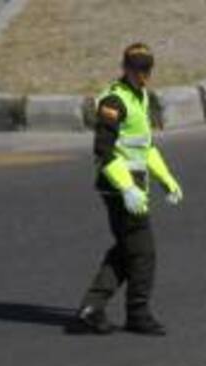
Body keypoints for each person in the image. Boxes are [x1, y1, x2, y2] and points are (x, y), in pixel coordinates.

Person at [71, 42, 183, 336]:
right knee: (144, 252)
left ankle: (91, 308)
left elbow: (144, 148)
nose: (144, 75)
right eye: (138, 69)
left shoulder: (140, 97)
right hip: (119, 189)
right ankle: (138, 313)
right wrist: (127, 189)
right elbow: (103, 151)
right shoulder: (114, 102)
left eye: (147, 69)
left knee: (127, 249)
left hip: (135, 187)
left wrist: (167, 179)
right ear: (125, 68)